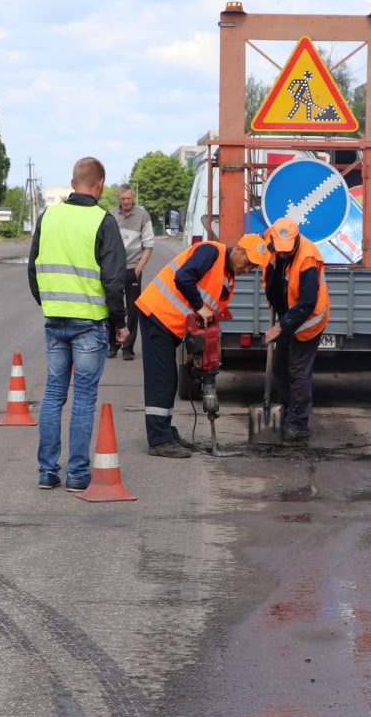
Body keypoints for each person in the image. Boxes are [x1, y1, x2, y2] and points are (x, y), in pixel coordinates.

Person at [28, 157, 128, 491]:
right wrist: (120, 323)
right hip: (89, 322)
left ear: (73, 184)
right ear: (100, 184)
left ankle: (46, 471)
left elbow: (33, 268)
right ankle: (77, 475)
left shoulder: (49, 216)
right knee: (84, 398)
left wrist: (49, 304)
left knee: (54, 393)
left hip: (54, 319)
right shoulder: (104, 221)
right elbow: (114, 281)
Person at [135, 233, 271, 457]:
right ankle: (158, 439)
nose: (247, 270)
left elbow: (205, 318)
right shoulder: (211, 252)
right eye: (247, 264)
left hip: (171, 325)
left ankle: (165, 432)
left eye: (253, 268)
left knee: (169, 379)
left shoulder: (228, 278)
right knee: (162, 378)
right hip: (157, 316)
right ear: (237, 250)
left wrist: (196, 349)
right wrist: (200, 306)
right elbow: (183, 277)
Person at [262, 217, 330, 442]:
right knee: (280, 368)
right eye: (278, 251)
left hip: (309, 319)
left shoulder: (308, 258)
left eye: (286, 252)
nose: (282, 255)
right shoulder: (270, 243)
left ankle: (297, 423)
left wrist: (280, 327)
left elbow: (308, 302)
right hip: (287, 315)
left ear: (296, 241)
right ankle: (285, 413)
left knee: (298, 371)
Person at [107, 183, 155, 361]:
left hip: (133, 267)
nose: (126, 202)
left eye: (129, 198)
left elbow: (148, 245)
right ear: (118, 198)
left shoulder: (143, 216)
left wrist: (139, 269)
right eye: (123, 199)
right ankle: (113, 344)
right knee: (113, 305)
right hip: (114, 268)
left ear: (133, 198)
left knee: (134, 309)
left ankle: (128, 347)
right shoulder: (110, 215)